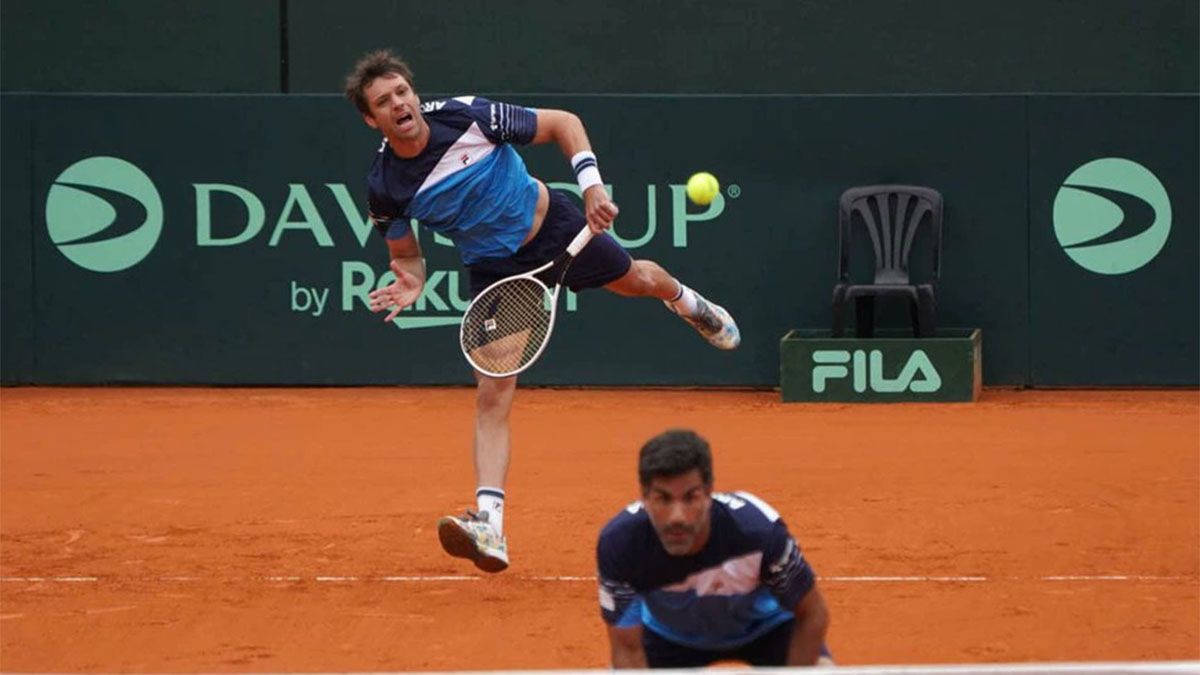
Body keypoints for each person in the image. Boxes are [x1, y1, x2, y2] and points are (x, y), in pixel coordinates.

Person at [343, 51, 741, 574]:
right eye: (383, 102)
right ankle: (490, 525)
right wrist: (411, 281)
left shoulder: (467, 116)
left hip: (556, 228)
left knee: (637, 282)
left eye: (402, 92)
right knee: (492, 394)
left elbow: (561, 124)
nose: (398, 104)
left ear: (414, 95)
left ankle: (688, 303)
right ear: (372, 120)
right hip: (497, 273)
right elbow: (406, 255)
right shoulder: (385, 186)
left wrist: (592, 185)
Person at [597, 429, 832, 668]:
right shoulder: (621, 545)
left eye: (691, 497)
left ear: (710, 493)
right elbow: (627, 648)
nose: (677, 517)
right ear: (644, 497)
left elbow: (813, 613)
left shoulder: (758, 533)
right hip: (668, 637)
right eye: (663, 499)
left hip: (769, 629)